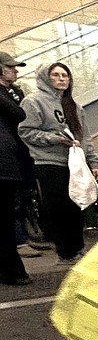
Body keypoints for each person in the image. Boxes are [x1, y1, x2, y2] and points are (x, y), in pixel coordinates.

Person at [18, 62, 98, 264]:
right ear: (46, 78)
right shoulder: (33, 102)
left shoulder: (74, 106)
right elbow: (26, 131)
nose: (62, 79)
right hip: (48, 162)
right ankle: (65, 252)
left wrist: (94, 162)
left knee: (77, 205)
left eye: (65, 75)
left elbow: (85, 137)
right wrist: (55, 139)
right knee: (57, 207)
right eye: (56, 75)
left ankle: (77, 248)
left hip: (75, 163)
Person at [0, 52, 30, 285]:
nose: (15, 71)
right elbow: (18, 113)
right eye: (9, 67)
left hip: (10, 162)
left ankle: (11, 270)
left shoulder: (12, 92)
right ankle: (13, 270)